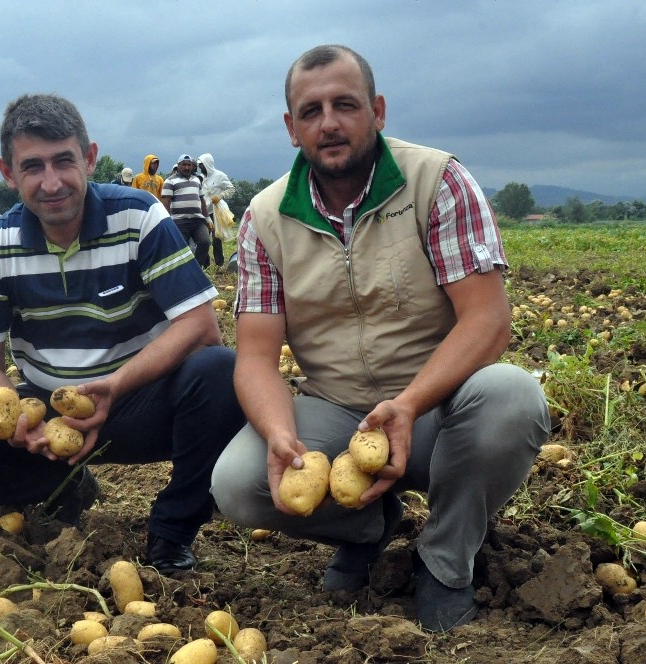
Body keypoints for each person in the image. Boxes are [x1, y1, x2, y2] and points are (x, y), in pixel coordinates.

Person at [209, 44, 551, 632]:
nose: (330, 123)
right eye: (311, 111)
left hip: (438, 411)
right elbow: (257, 357)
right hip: (337, 412)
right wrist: (280, 434)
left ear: (378, 111)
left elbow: (488, 320)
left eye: (345, 104)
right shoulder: (264, 219)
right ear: (292, 129)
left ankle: (445, 559)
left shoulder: (436, 180)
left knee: (513, 398)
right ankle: (368, 527)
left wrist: (409, 404)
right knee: (237, 485)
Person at [0, 93, 245, 574]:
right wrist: (15, 415)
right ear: (8, 173)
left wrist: (116, 387)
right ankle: (59, 486)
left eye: (64, 161)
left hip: (139, 400)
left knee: (221, 372)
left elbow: (201, 327)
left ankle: (172, 531)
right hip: (49, 412)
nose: (51, 182)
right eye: (32, 167)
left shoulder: (139, 216)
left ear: (89, 158)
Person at [161, 155, 210, 268]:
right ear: (178, 166)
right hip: (179, 221)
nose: (187, 167)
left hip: (197, 220)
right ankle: (182, 271)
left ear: (192, 166)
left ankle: (196, 268)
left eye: (189, 165)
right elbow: (166, 202)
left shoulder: (196, 180)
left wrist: (207, 218)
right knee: (180, 248)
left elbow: (202, 199)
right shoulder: (170, 181)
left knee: (205, 242)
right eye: (184, 165)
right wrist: (166, 221)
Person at [196, 154, 235, 269]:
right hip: (204, 211)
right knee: (204, 239)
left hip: (215, 211)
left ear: (207, 164)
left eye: (201, 165)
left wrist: (220, 195)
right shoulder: (200, 178)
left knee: (216, 238)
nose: (200, 167)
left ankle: (219, 263)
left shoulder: (220, 176)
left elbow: (231, 189)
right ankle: (205, 263)